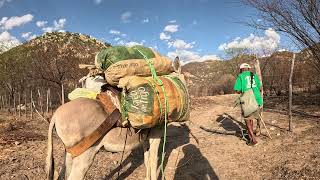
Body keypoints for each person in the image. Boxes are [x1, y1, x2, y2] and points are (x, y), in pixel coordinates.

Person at [234, 63, 263, 146]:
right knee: (251, 118)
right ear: (248, 69)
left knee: (247, 119)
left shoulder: (240, 76)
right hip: (257, 100)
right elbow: (260, 88)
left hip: (248, 101)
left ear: (242, 69)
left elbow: (237, 90)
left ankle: (253, 140)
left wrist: (243, 91)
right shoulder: (254, 75)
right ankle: (251, 135)